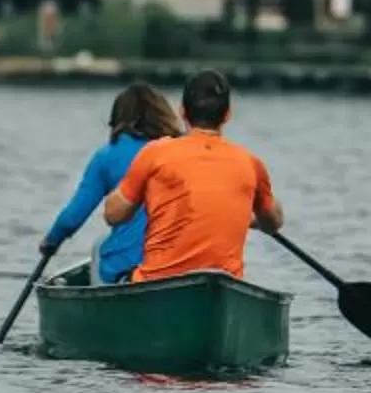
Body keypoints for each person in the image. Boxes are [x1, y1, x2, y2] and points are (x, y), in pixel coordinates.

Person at [101, 69, 281, 280]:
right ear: (227, 115)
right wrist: (251, 216)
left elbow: (113, 215)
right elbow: (273, 222)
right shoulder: (251, 163)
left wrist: (142, 195)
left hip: (156, 283)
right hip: (223, 283)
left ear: (182, 111)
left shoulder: (154, 153)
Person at [44, 84, 183, 283]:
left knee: (100, 248)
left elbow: (73, 217)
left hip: (130, 265)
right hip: (184, 260)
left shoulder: (108, 155)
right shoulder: (186, 150)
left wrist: (51, 241)